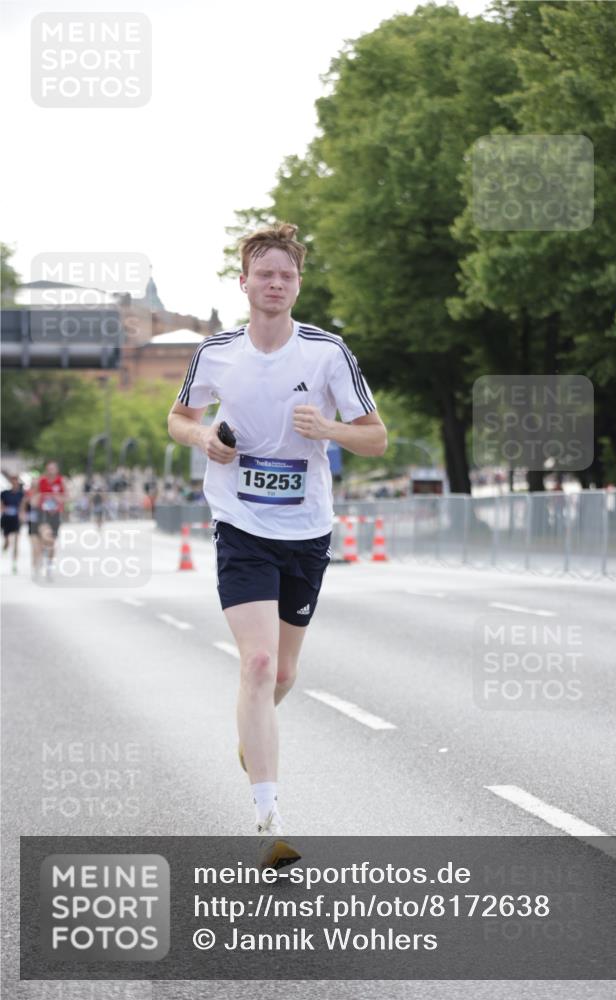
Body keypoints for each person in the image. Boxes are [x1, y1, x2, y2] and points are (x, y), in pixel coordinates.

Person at [167, 222, 387, 866]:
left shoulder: (326, 353)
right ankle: (269, 815)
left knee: (284, 672)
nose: (275, 283)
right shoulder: (215, 353)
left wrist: (330, 429)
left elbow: (376, 436)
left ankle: (250, 732)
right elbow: (178, 418)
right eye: (264, 273)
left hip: (307, 528)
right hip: (240, 524)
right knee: (258, 665)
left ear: (297, 284)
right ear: (244, 283)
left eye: (286, 275)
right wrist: (204, 440)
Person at [36, 460, 67, 579]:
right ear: (46, 469)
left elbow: (67, 497)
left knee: (52, 542)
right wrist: (43, 497)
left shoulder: (61, 481)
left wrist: (58, 498)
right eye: (49, 468)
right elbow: (35, 495)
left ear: (57, 470)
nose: (51, 470)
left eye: (53, 468)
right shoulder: (42, 480)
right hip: (43, 512)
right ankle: (43, 551)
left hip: (56, 513)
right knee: (45, 535)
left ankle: (49, 564)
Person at [1, 473, 24, 574]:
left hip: (16, 520)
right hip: (6, 519)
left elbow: (23, 506)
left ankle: (14, 563)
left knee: (16, 541)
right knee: (7, 541)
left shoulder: (21, 494)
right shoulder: (5, 493)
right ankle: (5, 547)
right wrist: (4, 509)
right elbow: (1, 505)